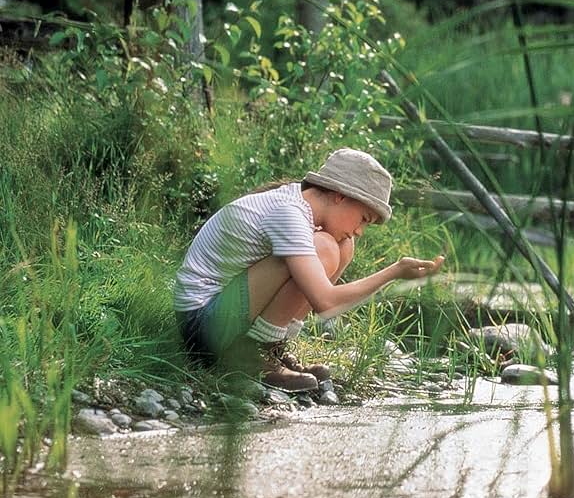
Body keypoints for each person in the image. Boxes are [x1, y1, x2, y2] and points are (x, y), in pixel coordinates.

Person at [174, 148, 445, 391]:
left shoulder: (298, 206)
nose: (361, 230)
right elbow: (325, 302)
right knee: (325, 247)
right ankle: (253, 354)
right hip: (204, 328)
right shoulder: (289, 213)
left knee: (343, 245)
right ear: (340, 195)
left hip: (220, 316)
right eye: (364, 218)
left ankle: (269, 348)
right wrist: (393, 272)